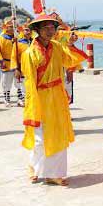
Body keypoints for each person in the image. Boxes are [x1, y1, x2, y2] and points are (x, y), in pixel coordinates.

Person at [20, 12, 89, 186]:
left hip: (57, 96)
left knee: (59, 136)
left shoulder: (57, 46)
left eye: (52, 27)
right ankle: (34, 168)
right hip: (40, 97)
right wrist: (32, 106)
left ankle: (54, 174)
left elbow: (69, 60)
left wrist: (71, 43)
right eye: (46, 28)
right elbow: (30, 83)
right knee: (40, 139)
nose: (50, 31)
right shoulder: (29, 54)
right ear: (37, 30)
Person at [0, 18, 17, 106]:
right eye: (10, 27)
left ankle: (20, 98)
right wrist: (1, 61)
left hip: (15, 63)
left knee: (18, 82)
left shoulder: (17, 37)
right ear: (6, 28)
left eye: (13, 27)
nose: (11, 28)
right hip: (6, 63)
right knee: (6, 82)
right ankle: (6, 99)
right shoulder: (2, 38)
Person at [10, 23, 32, 107]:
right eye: (26, 30)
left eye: (29, 30)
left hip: (32, 68)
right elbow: (13, 56)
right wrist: (16, 69)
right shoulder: (18, 43)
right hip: (22, 68)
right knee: (23, 86)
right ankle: (22, 100)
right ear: (23, 31)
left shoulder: (33, 42)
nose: (28, 32)